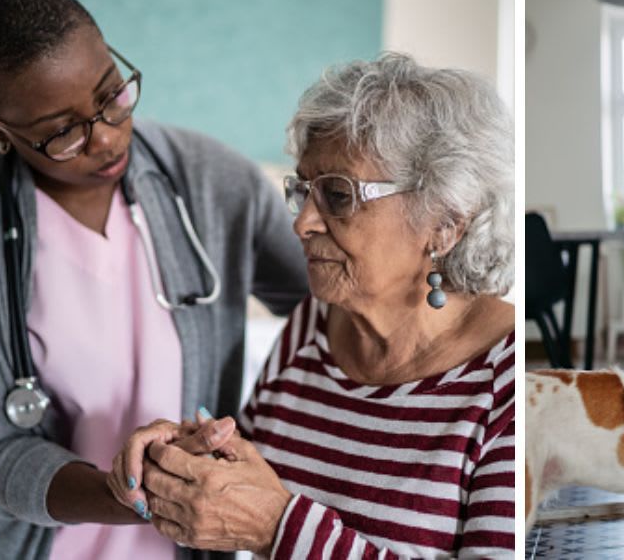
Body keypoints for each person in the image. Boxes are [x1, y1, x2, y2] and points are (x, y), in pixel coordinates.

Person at [0, 0, 309, 559]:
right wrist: (126, 490)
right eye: (62, 133)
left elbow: (334, 310)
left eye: (111, 94)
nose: (104, 139)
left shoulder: (214, 182)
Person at [106, 54, 517, 558]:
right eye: (303, 191)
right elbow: (250, 485)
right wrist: (185, 457)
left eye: (338, 196)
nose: (302, 224)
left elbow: (267, 517)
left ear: (444, 224)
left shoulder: (506, 385)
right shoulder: (312, 325)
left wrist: (279, 529)